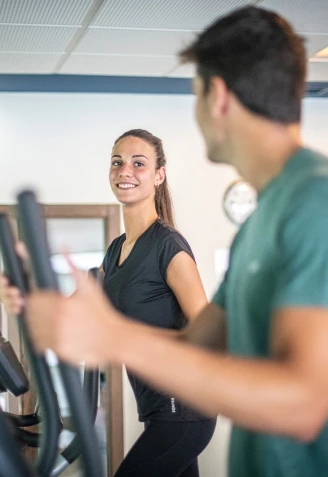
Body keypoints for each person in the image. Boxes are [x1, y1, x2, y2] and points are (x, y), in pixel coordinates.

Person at [3, 5, 328, 477]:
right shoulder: (261, 222)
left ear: (215, 96)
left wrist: (117, 338)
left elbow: (307, 402)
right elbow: (201, 341)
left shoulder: (312, 202)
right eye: (118, 162)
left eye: (194, 94)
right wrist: (37, 298)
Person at [0, 129, 216, 477]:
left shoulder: (169, 247)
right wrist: (23, 287)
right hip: (158, 410)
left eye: (138, 163)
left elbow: (209, 333)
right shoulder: (117, 249)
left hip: (185, 409)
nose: (124, 171)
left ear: (159, 176)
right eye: (117, 162)